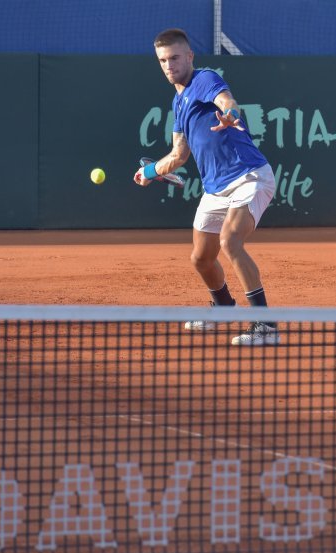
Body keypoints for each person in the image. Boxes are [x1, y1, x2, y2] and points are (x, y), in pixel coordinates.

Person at [134, 28, 279, 346]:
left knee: (230, 241)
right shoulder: (179, 104)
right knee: (201, 259)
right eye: (162, 60)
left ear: (189, 56)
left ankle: (266, 326)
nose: (169, 65)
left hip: (248, 177)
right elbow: (178, 155)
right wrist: (148, 171)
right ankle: (224, 309)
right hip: (215, 190)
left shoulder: (204, 79)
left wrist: (229, 114)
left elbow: (227, 101)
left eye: (174, 57)